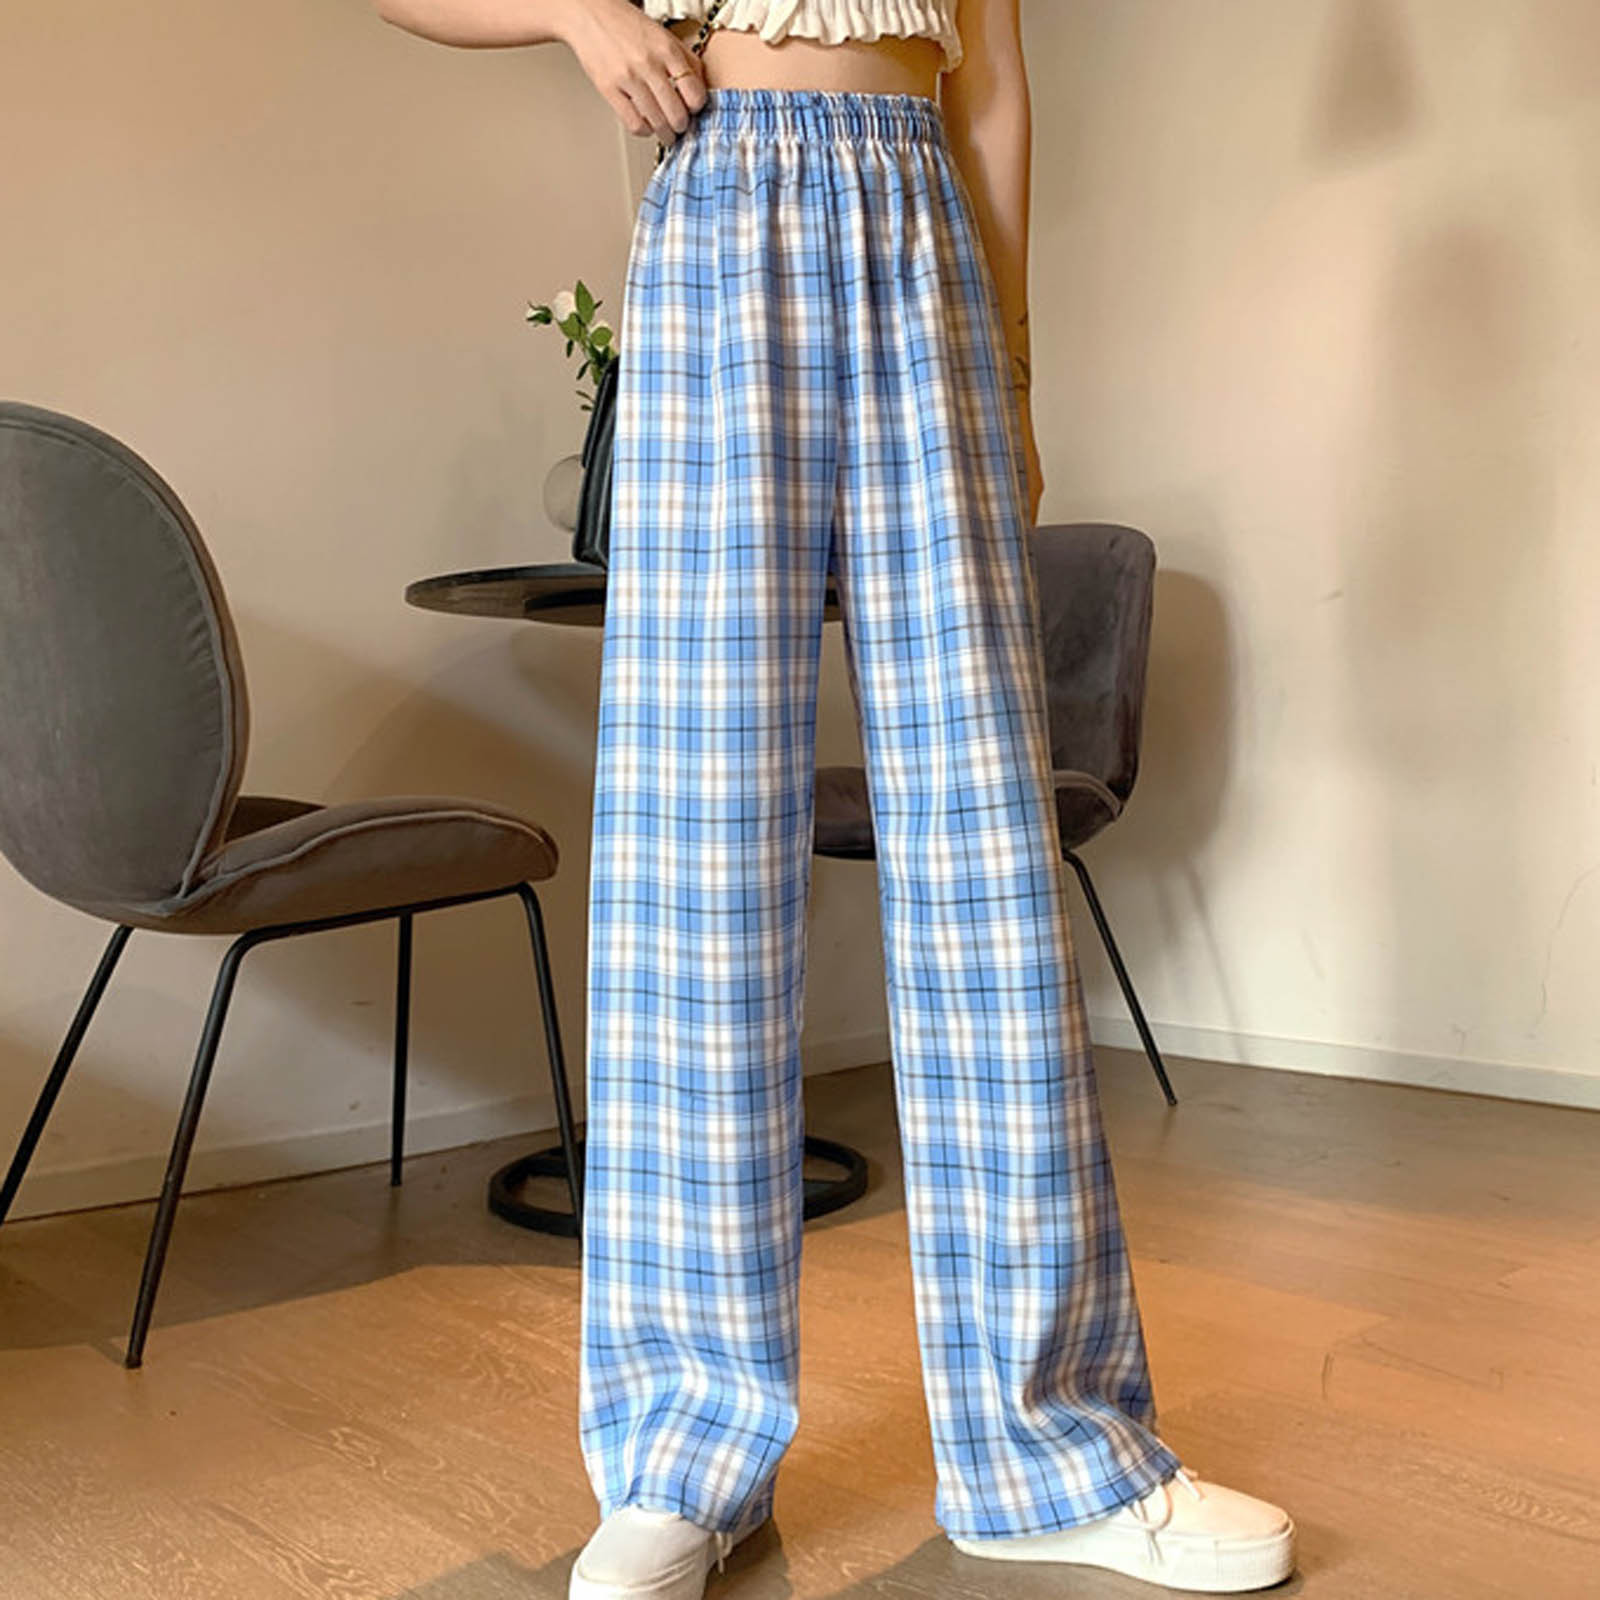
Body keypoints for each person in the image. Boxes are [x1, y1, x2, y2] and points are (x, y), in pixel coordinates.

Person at [373, 2, 1297, 1596]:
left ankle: (1047, 1449)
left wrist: (1014, 377)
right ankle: (682, 1455)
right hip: (719, 218)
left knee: (987, 848)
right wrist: (579, 14)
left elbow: (993, 93)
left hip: (927, 233)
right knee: (696, 863)